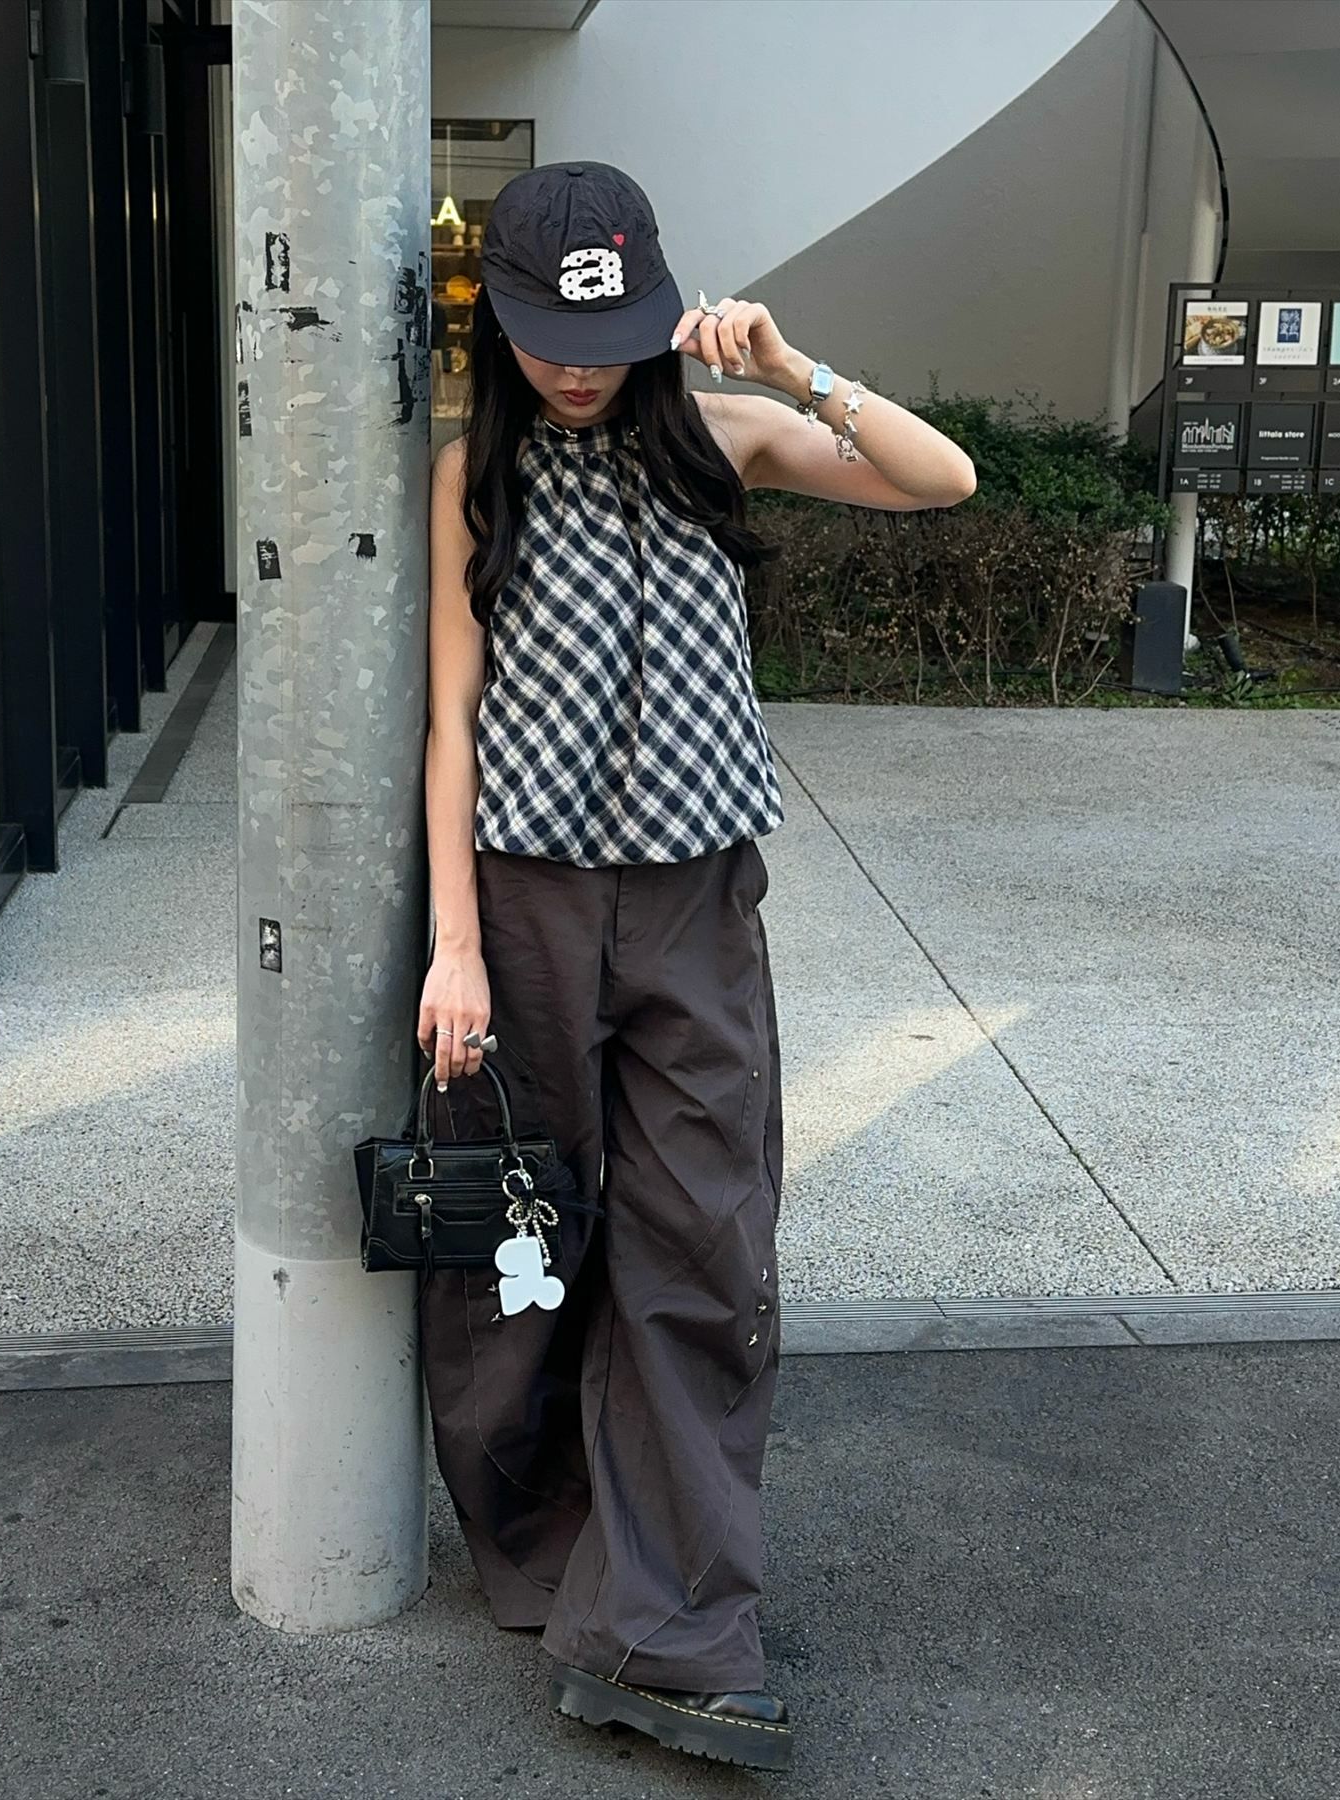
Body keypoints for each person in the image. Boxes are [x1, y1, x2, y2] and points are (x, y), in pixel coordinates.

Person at [415, 161, 975, 1773]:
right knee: (526, 1241)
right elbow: (453, 723)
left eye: (602, 340)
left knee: (706, 1244)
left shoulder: (724, 437)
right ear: (500, 324)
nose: (573, 370)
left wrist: (793, 370)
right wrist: (454, 946)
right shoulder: (476, 474)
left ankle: (668, 1629)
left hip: (695, 907)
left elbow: (943, 480)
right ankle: (546, 1551)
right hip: (523, 907)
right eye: (543, 338)